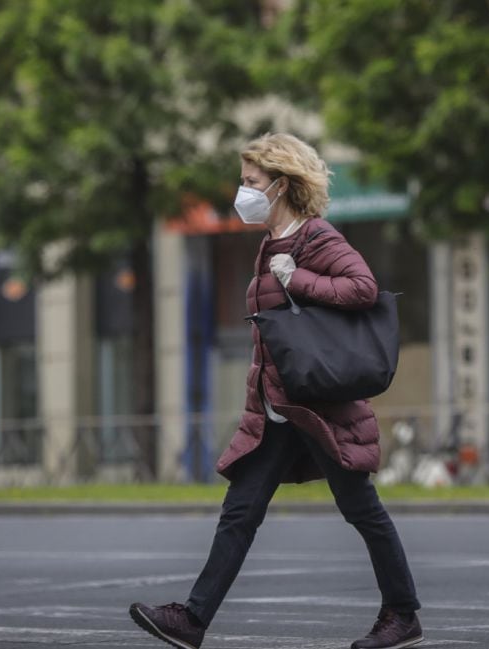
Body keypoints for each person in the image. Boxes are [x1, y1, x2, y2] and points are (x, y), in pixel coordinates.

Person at [129, 133, 423, 649]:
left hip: (321, 407)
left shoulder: (316, 239)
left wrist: (301, 280)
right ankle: (192, 620)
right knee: (240, 513)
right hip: (278, 408)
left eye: (250, 183)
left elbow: (364, 288)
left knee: (362, 510)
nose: (241, 192)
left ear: (281, 185)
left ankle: (402, 615)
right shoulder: (271, 244)